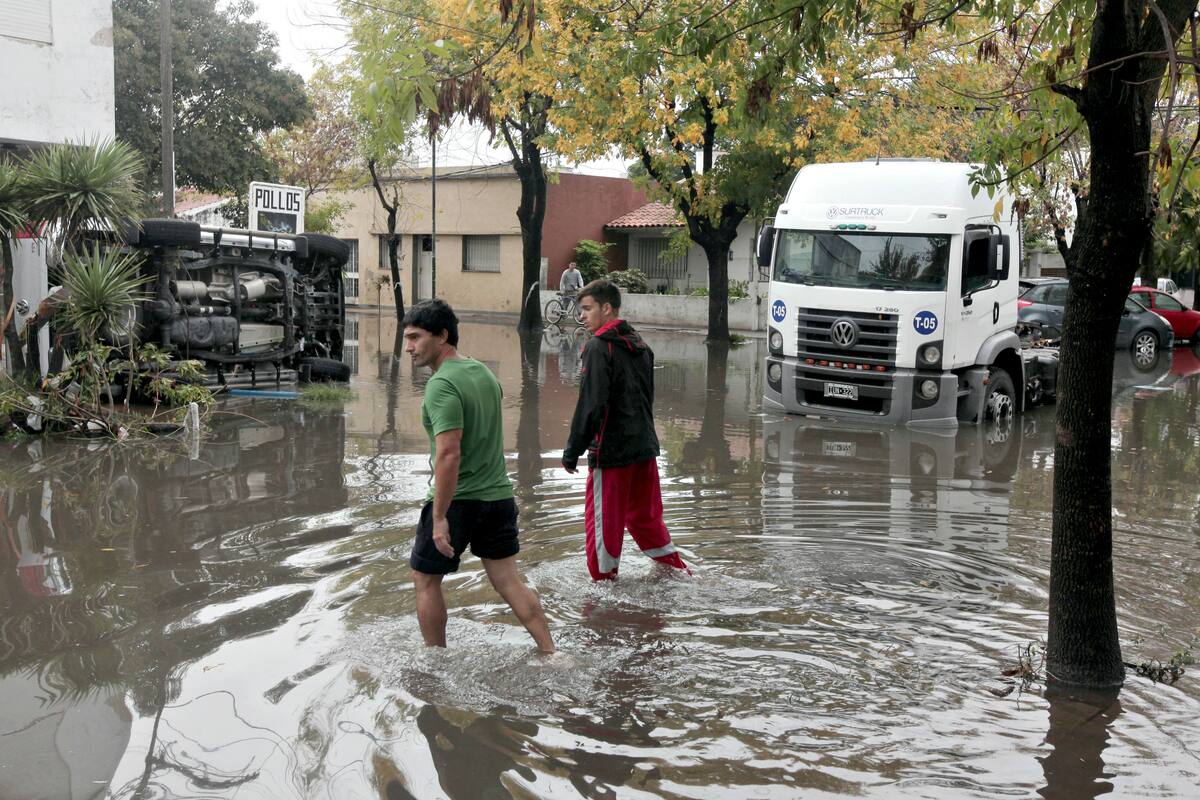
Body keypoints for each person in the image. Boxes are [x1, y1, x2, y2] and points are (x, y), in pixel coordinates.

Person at [403, 299, 555, 653]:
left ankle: (435, 662)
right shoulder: (484, 373)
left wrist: (439, 517)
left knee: (425, 580)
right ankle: (551, 653)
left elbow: (449, 453)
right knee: (509, 581)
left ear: (442, 336)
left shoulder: (441, 385)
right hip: (499, 498)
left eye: (415, 337)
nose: (408, 347)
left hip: (459, 501)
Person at [561, 280, 690, 580]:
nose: (583, 316)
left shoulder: (597, 347)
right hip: (644, 450)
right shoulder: (642, 345)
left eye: (588, 309)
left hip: (612, 454)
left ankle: (602, 597)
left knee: (604, 529)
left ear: (607, 308)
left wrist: (572, 451)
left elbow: (591, 405)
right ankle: (677, 574)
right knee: (646, 520)